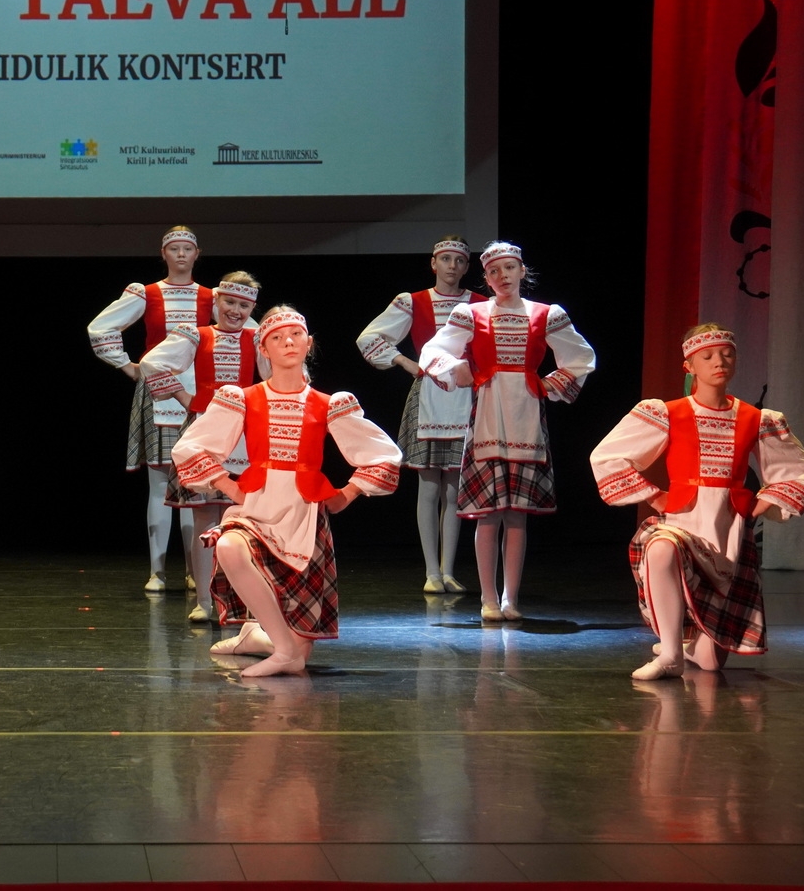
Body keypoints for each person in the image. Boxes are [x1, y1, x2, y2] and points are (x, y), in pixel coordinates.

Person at [171, 307, 402, 677]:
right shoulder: (243, 398)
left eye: (295, 335)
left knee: (302, 648)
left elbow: (384, 453)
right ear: (264, 349)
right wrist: (227, 485)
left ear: (308, 344)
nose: (288, 342)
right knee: (229, 546)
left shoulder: (328, 403)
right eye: (277, 338)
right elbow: (190, 447)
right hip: (258, 507)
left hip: (303, 515)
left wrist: (349, 492)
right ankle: (281, 649)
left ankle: (259, 638)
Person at [590, 324, 804, 680]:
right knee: (661, 549)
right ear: (689, 366)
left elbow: (798, 471)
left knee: (712, 663)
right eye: (707, 356)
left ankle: (686, 646)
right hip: (683, 520)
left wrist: (762, 502)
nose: (719, 362)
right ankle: (670, 653)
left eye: (727, 355)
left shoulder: (756, 419)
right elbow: (607, 456)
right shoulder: (669, 413)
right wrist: (655, 495)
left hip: (728, 532)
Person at [419, 242, 595, 623]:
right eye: (494, 271)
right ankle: (487, 598)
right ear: (486, 278)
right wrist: (456, 368)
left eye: (509, 268)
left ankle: (510, 598)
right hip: (488, 415)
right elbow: (433, 351)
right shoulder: (472, 314)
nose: (503, 276)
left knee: (517, 516)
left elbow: (581, 357)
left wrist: (551, 383)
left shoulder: (545, 314)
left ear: (521, 271)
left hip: (526, 415)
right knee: (489, 513)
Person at [87, 227, 215, 592]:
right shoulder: (148, 293)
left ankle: (195, 571)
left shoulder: (213, 297)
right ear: (164, 253)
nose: (180, 254)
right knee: (159, 482)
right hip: (158, 392)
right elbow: (100, 327)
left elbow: (247, 334)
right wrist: (128, 366)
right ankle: (157, 572)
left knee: (193, 481)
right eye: (174, 249)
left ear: (197, 254)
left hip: (199, 394)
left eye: (187, 249)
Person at [356, 237, 486, 593]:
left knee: (455, 489)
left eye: (458, 261)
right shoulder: (413, 301)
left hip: (466, 396)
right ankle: (431, 572)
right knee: (429, 486)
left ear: (466, 266)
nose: (451, 266)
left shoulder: (480, 303)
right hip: (429, 395)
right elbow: (370, 338)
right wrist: (405, 362)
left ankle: (448, 570)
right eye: (445, 259)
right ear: (433, 263)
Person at [139, 271, 268, 622]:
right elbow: (152, 362)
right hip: (204, 431)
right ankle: (204, 602)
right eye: (230, 302)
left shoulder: (257, 338)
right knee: (203, 518)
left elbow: (275, 378)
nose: (235, 311)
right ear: (217, 302)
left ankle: (239, 601)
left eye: (244, 305)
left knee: (241, 521)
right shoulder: (197, 334)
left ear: (251, 309)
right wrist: (186, 397)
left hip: (244, 436)